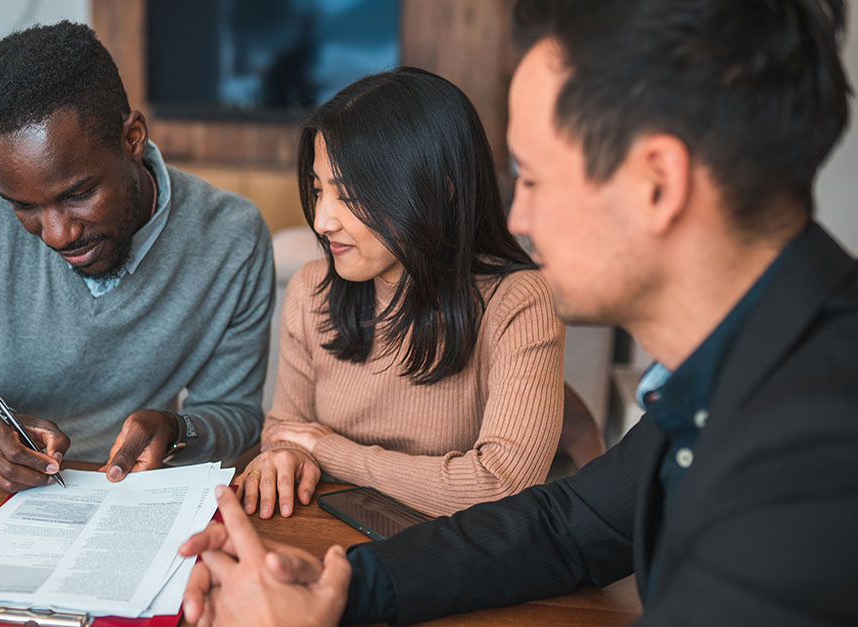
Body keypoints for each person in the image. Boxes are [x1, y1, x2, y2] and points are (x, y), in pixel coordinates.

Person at [179, 0, 858, 624]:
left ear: (658, 182)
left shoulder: (815, 459)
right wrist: (343, 587)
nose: (519, 216)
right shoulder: (736, 376)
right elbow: (564, 525)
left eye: (531, 177)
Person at [0, 22, 274, 492]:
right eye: (24, 206)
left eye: (79, 193)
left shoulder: (231, 238)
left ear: (133, 138)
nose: (58, 234)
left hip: (119, 492)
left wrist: (177, 430)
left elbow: (236, 414)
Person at [236, 68, 564, 519]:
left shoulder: (520, 301)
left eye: (349, 194)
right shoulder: (311, 289)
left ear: (438, 191)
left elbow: (501, 485)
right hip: (330, 537)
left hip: (451, 561)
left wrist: (332, 452)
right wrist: (284, 457)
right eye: (318, 190)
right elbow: (286, 434)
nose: (322, 221)